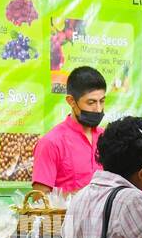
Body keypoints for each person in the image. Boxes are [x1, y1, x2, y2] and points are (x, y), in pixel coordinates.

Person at [32, 66, 107, 194]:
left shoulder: (107, 138)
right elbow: (40, 199)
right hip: (68, 214)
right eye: (91, 102)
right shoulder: (51, 142)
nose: (98, 109)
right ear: (71, 101)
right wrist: (87, 196)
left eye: (102, 101)